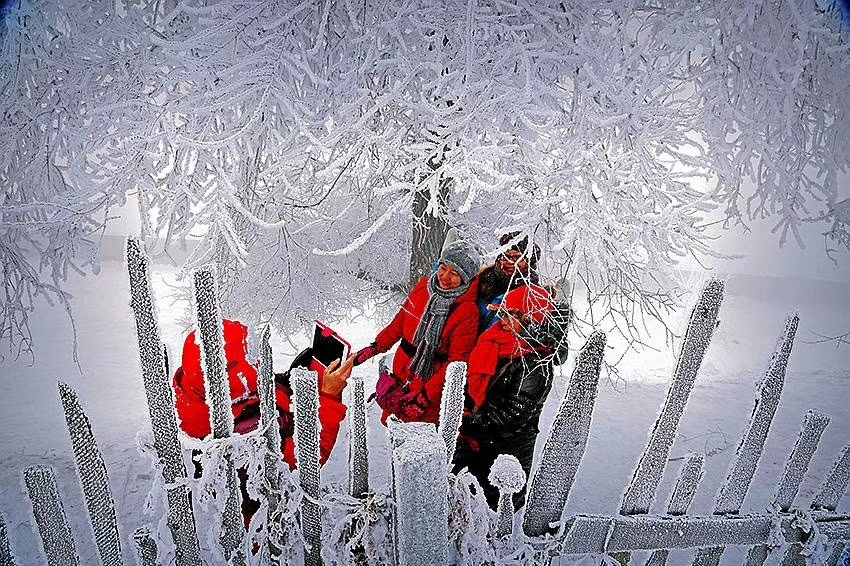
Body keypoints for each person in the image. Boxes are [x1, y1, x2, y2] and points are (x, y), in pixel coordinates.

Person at [171, 319, 354, 525]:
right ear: (232, 372)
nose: (257, 359)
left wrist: (288, 379)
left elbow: (254, 394)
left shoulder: (198, 393)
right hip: (264, 532)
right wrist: (328, 396)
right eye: (249, 354)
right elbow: (308, 457)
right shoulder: (244, 434)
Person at [453, 284, 570, 510]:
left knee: (496, 516)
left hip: (505, 456)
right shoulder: (496, 343)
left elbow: (511, 417)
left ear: (530, 320)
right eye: (502, 314)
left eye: (510, 315)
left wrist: (467, 424)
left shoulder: (536, 365)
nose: (502, 321)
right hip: (478, 445)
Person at [353, 240, 482, 425]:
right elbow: (400, 322)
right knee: (392, 425)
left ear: (467, 278)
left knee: (415, 439)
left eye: (455, 274)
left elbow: (456, 362)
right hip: (400, 375)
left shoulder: (467, 312)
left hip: (426, 388)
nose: (445, 277)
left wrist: (425, 397)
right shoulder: (424, 287)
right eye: (443, 268)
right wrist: (376, 347)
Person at [476, 232, 542, 330]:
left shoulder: (534, 294)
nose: (510, 262)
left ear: (529, 261)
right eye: (506, 256)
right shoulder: (483, 278)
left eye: (518, 258)